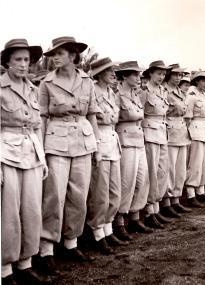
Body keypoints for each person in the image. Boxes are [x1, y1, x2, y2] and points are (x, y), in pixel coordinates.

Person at [39, 36, 100, 272]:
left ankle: (71, 242)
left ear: (73, 55)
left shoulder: (87, 81)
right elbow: (42, 118)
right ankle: (46, 249)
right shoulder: (47, 83)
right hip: (56, 142)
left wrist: (97, 145)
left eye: (59, 54)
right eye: (52, 55)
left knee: (79, 194)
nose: (54, 58)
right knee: (54, 196)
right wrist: (42, 151)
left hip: (83, 140)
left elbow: (92, 114)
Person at [1, 38, 51, 285]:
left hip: (31, 153)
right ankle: (5, 269)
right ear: (7, 62)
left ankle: (26, 263)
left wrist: (42, 158)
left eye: (26, 60)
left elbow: (37, 127)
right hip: (6, 154)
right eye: (18, 60)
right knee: (8, 212)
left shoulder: (32, 88)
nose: (23, 65)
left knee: (31, 209)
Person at [86, 57, 127, 255]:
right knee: (99, 191)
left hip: (112, 137)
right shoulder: (92, 90)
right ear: (99, 73)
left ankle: (108, 229)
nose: (113, 74)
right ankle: (97, 232)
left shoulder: (112, 93)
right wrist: (95, 143)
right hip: (99, 136)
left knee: (114, 190)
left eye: (113, 70)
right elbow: (90, 117)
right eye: (109, 71)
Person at [114, 61, 153, 235]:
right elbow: (112, 121)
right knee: (126, 181)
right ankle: (119, 220)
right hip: (125, 139)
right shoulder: (117, 95)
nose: (139, 78)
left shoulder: (135, 94)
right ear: (124, 76)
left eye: (139, 75)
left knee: (141, 179)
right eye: (135, 75)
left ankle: (135, 215)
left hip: (138, 139)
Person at [140, 60, 171, 228]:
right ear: (150, 74)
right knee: (151, 172)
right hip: (149, 133)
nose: (161, 77)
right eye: (158, 73)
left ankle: (156, 208)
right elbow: (139, 115)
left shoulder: (162, 91)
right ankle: (149, 211)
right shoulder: (144, 91)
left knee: (161, 171)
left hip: (161, 132)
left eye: (163, 74)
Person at [162, 64, 192, 215]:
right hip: (170, 130)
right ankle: (167, 201)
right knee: (170, 168)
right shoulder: (164, 91)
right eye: (176, 75)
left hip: (181, 131)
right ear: (168, 75)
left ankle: (176, 198)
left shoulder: (181, 92)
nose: (179, 78)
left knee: (180, 169)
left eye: (180, 75)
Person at [184, 71, 205, 206]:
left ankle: (201, 191)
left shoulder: (204, 95)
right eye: (203, 81)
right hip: (196, 129)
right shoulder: (191, 96)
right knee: (195, 162)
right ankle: (191, 193)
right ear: (196, 81)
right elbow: (187, 116)